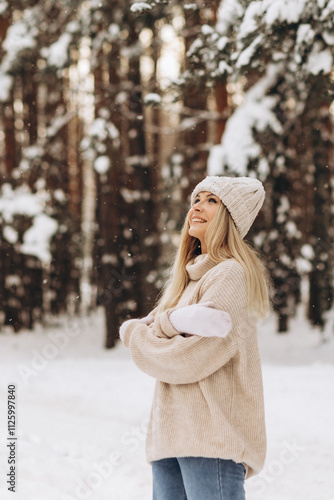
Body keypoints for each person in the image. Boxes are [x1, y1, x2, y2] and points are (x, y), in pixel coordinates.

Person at [119, 175, 269, 500]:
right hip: (170, 438)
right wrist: (171, 322)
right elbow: (159, 344)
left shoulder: (230, 274)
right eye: (196, 199)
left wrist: (141, 335)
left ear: (229, 217)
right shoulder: (186, 283)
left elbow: (188, 359)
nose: (197, 207)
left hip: (210, 439)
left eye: (211, 200)